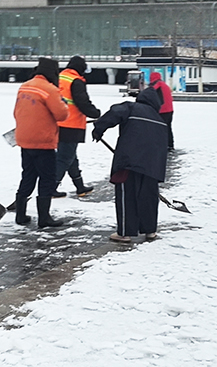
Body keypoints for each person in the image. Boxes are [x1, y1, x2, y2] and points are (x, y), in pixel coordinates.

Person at [91, 87, 168, 243]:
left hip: (129, 161)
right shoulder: (160, 120)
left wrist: (99, 129)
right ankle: (150, 230)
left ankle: (125, 233)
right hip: (153, 166)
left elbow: (114, 113)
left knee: (127, 195)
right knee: (149, 197)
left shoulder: (131, 107)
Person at [13, 57, 68, 228]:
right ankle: (44, 218)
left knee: (28, 176)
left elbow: (16, 112)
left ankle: (20, 215)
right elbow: (61, 115)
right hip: (43, 142)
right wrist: (64, 104)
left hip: (24, 140)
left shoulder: (24, 86)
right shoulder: (50, 89)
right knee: (47, 178)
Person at [52, 55, 101, 198]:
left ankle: (80, 187)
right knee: (64, 158)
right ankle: (50, 188)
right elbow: (83, 102)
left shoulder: (59, 78)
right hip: (71, 125)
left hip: (57, 123)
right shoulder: (76, 81)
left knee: (70, 157)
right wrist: (96, 113)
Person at [148, 72, 175, 150]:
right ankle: (170, 144)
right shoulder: (165, 85)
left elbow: (153, 96)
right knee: (168, 128)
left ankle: (161, 145)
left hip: (162, 111)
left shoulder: (157, 85)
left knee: (159, 128)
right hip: (170, 110)